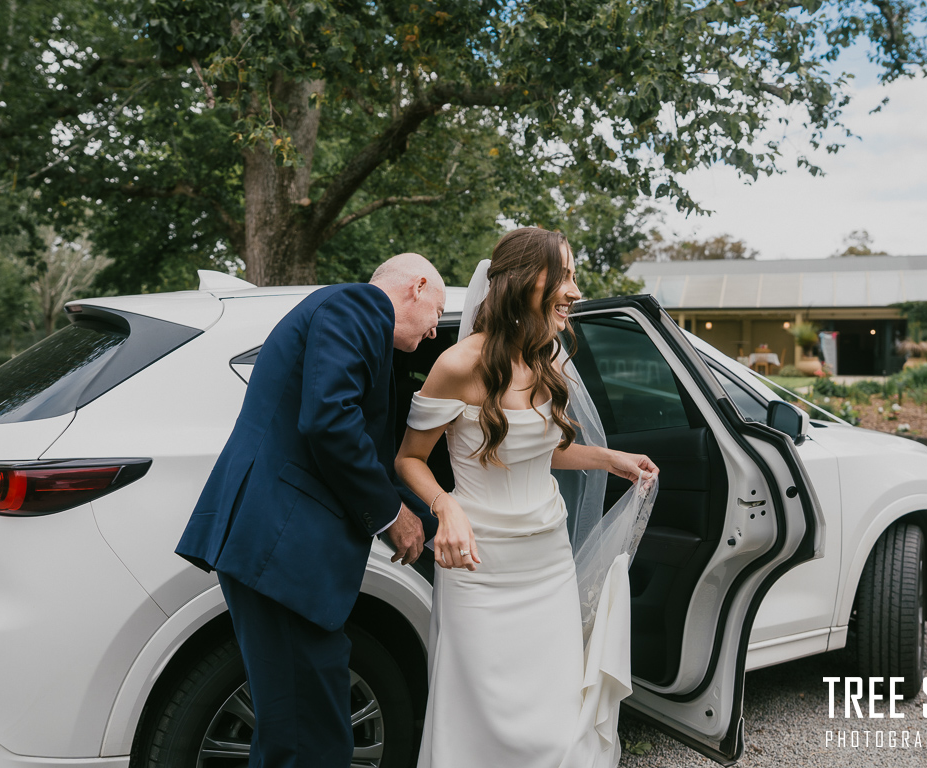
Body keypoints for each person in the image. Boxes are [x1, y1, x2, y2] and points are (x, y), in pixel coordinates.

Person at [395, 227, 659, 768]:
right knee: (479, 721)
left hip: (548, 565)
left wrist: (610, 458)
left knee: (554, 719)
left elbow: (541, 450)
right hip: (479, 569)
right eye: (564, 276)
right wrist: (445, 506)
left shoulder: (549, 359)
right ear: (523, 282)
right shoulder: (458, 365)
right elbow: (409, 459)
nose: (575, 291)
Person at [175, 253, 445, 767]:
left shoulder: (354, 320)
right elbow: (330, 421)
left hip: (280, 553)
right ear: (416, 286)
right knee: (312, 742)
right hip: (282, 549)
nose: (435, 329)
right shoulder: (358, 305)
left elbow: (364, 450)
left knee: (292, 733)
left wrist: (434, 524)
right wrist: (392, 517)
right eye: (437, 310)